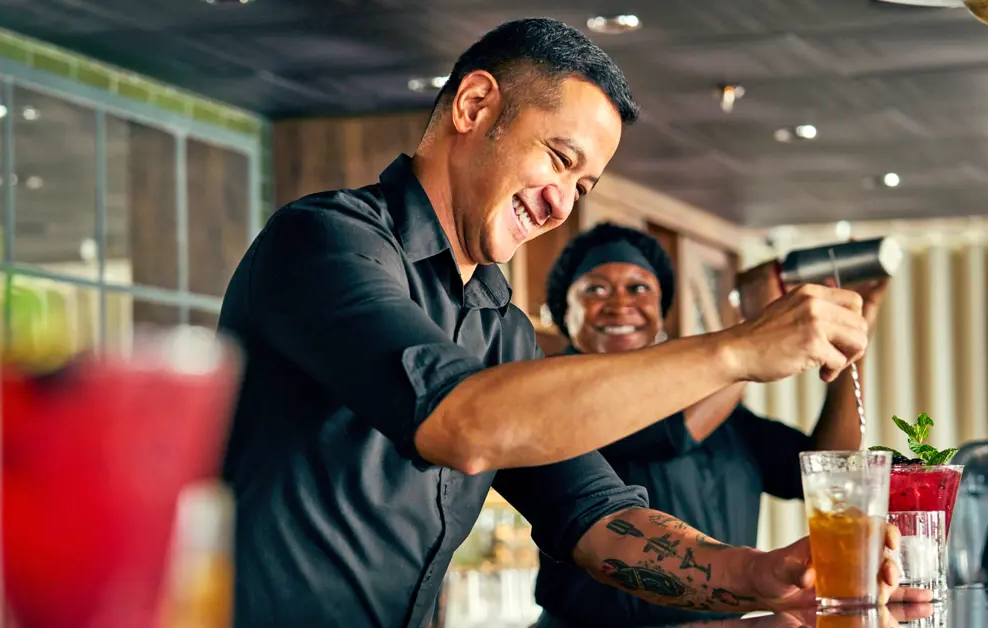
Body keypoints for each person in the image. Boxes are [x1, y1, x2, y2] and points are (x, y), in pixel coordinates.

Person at [217, 17, 915, 628]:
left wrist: (763, 574)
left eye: (583, 187)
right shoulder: (324, 240)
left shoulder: (500, 327)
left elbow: (596, 517)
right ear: (475, 104)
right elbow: (461, 425)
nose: (560, 207)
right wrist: (737, 348)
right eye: (559, 159)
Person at [533, 223, 889, 627]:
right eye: (595, 289)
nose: (619, 304)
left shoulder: (721, 414)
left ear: (660, 310)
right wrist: (755, 331)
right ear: (564, 310)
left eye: (639, 288)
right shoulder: (559, 395)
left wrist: (851, 342)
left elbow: (827, 466)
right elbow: (673, 432)